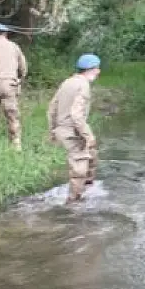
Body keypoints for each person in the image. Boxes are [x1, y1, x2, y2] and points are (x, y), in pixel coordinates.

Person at [47, 54, 102, 203]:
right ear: (91, 69)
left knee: (92, 154)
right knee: (80, 166)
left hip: (62, 129)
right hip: (73, 132)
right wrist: (88, 135)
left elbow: (52, 108)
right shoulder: (83, 85)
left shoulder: (68, 82)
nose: (98, 72)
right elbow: (76, 115)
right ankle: (73, 203)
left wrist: (52, 130)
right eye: (97, 68)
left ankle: (87, 190)